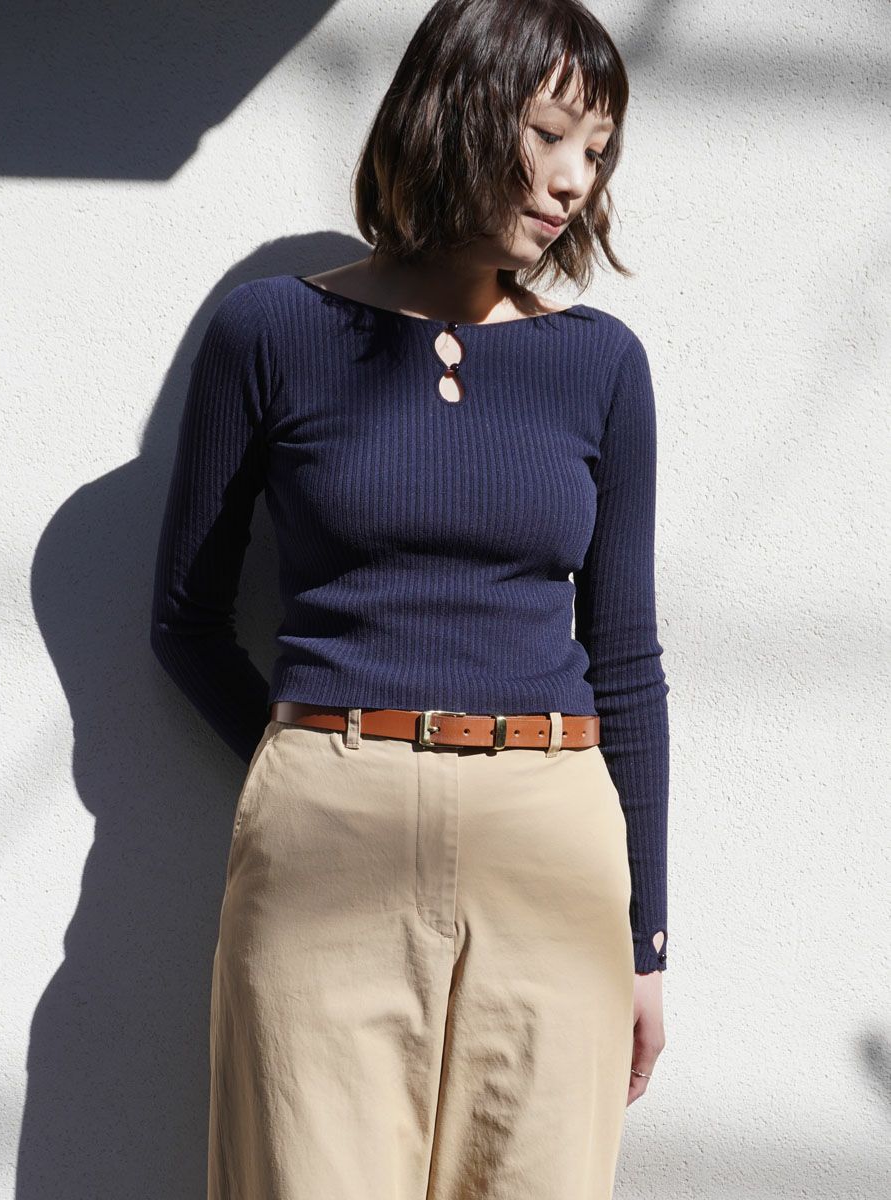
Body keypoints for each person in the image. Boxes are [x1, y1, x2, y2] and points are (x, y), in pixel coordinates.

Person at [150, 1, 670, 1196]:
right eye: (551, 134)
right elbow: (186, 619)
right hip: (328, 832)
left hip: (552, 839)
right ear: (460, 110)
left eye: (597, 153)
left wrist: (647, 937)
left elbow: (626, 661)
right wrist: (313, 758)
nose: (575, 180)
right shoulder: (274, 332)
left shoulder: (600, 365)